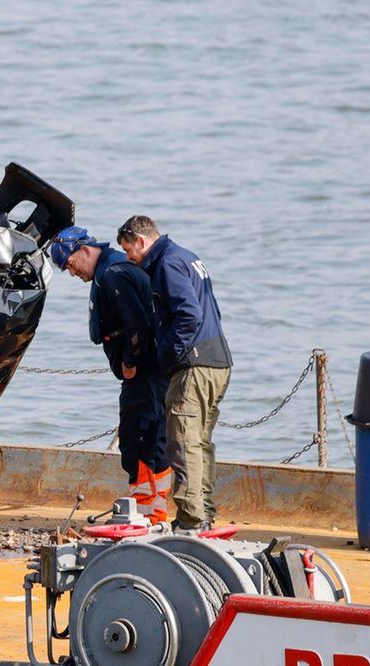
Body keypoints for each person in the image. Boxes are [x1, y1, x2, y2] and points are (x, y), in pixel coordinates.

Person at [50, 226, 172, 524]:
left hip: (145, 372)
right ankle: (150, 507)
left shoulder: (115, 274)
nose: (72, 273)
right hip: (149, 372)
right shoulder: (112, 269)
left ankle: (149, 510)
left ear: (85, 250)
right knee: (147, 435)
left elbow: (137, 325)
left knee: (141, 436)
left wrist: (131, 361)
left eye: (70, 265)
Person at [116, 215, 231, 531]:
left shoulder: (166, 264)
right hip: (218, 360)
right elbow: (208, 310)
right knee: (200, 441)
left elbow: (189, 316)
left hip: (194, 365)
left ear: (141, 240)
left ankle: (191, 518)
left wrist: (166, 354)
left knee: (181, 441)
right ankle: (204, 512)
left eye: (128, 250)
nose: (129, 258)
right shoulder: (187, 256)